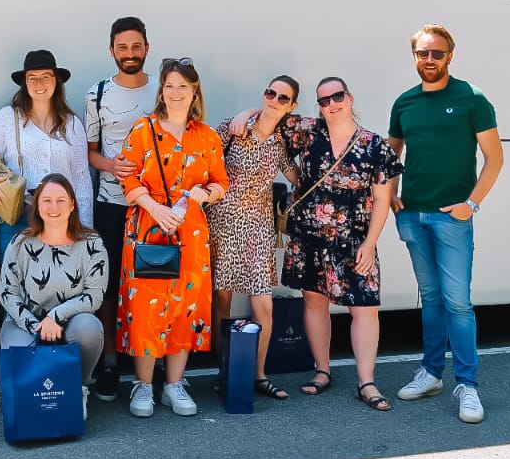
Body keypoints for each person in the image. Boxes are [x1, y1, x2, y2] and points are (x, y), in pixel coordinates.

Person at [389, 24, 503, 424]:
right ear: (415, 57)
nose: (430, 60)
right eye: (423, 54)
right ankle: (432, 373)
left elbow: (495, 159)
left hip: (451, 218)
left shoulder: (471, 98)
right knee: (431, 298)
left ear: (450, 56)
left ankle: (467, 386)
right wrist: (390, 194)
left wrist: (471, 204)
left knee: (458, 302)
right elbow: (391, 156)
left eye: (437, 54)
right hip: (413, 216)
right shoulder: (405, 103)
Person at [279, 77, 402, 411]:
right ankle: (322, 370)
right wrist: (243, 114)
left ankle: (367, 381)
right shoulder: (306, 132)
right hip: (309, 235)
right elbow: (270, 115)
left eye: (336, 97)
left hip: (354, 239)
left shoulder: (374, 144)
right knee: (315, 303)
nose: (331, 104)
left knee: (364, 308)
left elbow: (382, 198)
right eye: (323, 100)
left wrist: (370, 242)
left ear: (349, 97)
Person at [116, 58, 228, 418]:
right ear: (161, 91)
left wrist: (204, 194)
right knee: (145, 309)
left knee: (185, 308)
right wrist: (154, 207)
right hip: (148, 226)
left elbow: (221, 183)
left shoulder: (207, 136)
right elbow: (128, 179)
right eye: (169, 86)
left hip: (191, 231)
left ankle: (174, 385)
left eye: (183, 86)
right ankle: (144, 386)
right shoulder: (142, 130)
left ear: (194, 91)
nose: (176, 92)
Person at [207, 76, 300, 400]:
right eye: (270, 92)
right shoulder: (232, 129)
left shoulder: (281, 142)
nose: (274, 99)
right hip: (221, 222)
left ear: (292, 106)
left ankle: (258, 374)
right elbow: (204, 160)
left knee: (264, 304)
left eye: (282, 97)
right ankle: (227, 369)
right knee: (221, 299)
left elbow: (296, 178)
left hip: (258, 229)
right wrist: (245, 115)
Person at [0, 174, 108, 421]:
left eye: (61, 200)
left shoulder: (92, 243)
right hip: (26, 320)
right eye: (46, 200)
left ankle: (76, 389)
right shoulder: (20, 243)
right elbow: (8, 293)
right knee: (17, 348)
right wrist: (36, 325)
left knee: (89, 328)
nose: (54, 207)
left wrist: (56, 316)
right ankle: (28, 397)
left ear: (72, 205)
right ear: (37, 206)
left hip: (70, 321)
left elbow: (94, 295)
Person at [83, 17, 151, 401]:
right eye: (122, 47)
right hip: (111, 203)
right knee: (108, 288)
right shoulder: (97, 93)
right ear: (112, 51)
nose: (129, 53)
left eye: (135, 46)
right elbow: (90, 152)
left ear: (146, 48)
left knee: (151, 283)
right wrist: (111, 166)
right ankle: (109, 364)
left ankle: (151, 363)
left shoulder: (165, 89)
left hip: (154, 208)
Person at [0, 50, 93, 260]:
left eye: (46, 76)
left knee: (57, 282)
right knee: (13, 283)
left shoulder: (72, 124)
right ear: (25, 84)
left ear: (56, 81)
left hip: (61, 218)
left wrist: (85, 227)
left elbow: (81, 177)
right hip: (18, 215)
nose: (39, 83)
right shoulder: (7, 118)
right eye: (33, 78)